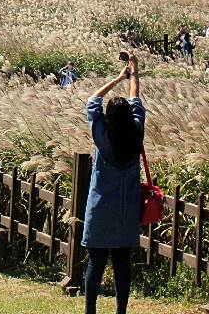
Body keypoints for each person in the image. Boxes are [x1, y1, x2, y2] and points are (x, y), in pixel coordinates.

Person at [82, 55, 144, 314]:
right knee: (122, 264)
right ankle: (121, 311)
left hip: (100, 206)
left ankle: (90, 311)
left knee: (96, 262)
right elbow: (136, 101)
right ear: (129, 117)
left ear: (108, 119)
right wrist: (135, 74)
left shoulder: (102, 137)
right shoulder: (137, 132)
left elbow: (92, 101)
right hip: (126, 209)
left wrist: (118, 78)